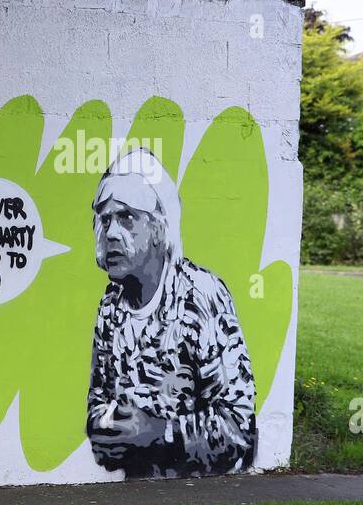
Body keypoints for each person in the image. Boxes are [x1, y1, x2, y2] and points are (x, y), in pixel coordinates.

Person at [85, 147, 257, 478]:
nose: (111, 233)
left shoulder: (199, 296)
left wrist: (158, 433)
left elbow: (238, 428)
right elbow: (97, 405)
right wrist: (108, 428)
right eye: (105, 220)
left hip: (200, 494)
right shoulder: (111, 305)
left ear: (158, 227)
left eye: (126, 218)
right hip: (132, 492)